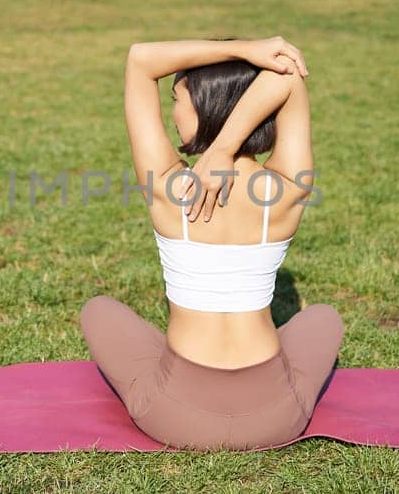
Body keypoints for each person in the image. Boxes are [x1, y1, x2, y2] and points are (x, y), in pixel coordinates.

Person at [79, 37, 344, 451]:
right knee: (324, 317)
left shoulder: (168, 186)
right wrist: (226, 146)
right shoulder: (288, 189)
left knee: (99, 310)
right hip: (276, 417)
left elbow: (140, 59)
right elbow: (288, 78)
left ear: (205, 107)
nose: (173, 113)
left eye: (177, 100)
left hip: (176, 416)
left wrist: (244, 49)